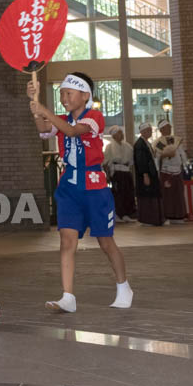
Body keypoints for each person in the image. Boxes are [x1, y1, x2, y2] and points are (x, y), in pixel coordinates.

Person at [30, 70, 131, 311]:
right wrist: (33, 105)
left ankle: (123, 286)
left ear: (85, 95)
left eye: (69, 93)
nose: (64, 97)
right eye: (62, 93)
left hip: (94, 187)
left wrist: (44, 110)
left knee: (105, 241)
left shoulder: (94, 116)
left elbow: (72, 131)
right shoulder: (62, 118)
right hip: (69, 187)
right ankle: (68, 296)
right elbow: (44, 130)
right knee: (67, 240)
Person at [155, 121, 188, 221]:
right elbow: (158, 158)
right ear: (161, 130)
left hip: (178, 170)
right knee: (168, 196)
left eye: (169, 127)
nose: (169, 129)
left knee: (178, 194)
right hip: (166, 171)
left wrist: (185, 165)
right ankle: (168, 216)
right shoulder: (159, 142)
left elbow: (182, 154)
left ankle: (179, 216)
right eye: (166, 127)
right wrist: (165, 155)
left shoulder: (175, 140)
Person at [104, 126, 137, 223]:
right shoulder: (109, 146)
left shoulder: (127, 146)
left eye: (121, 133)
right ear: (113, 135)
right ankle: (117, 214)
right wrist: (107, 175)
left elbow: (131, 162)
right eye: (119, 133)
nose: (121, 135)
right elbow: (106, 162)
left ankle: (126, 214)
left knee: (128, 193)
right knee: (118, 194)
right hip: (116, 172)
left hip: (126, 171)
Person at [133, 121, 164, 226]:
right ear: (142, 132)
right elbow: (141, 161)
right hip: (146, 175)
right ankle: (148, 219)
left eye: (150, 130)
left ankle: (154, 218)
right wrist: (145, 175)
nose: (150, 132)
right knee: (147, 197)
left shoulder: (147, 143)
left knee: (152, 195)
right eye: (147, 130)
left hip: (151, 173)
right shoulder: (140, 144)